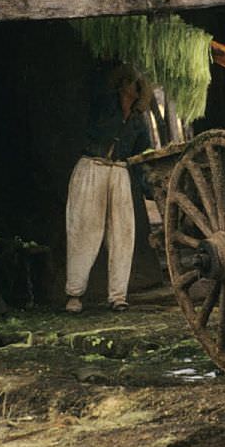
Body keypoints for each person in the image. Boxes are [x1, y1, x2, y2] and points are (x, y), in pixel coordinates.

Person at [64, 65, 155, 314]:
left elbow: (141, 156)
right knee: (84, 230)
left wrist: (149, 188)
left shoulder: (138, 121)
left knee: (122, 234)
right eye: (129, 84)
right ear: (121, 85)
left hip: (119, 172)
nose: (132, 89)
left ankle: (118, 296)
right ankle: (75, 295)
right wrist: (120, 114)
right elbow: (93, 130)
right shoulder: (103, 106)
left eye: (136, 85)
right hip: (92, 168)